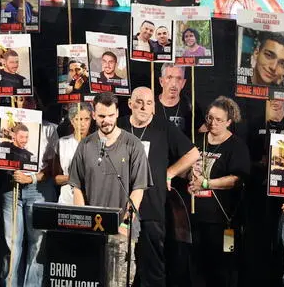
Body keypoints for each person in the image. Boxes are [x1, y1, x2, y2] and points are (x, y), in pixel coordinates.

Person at [116, 87, 200, 287]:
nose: (144, 107)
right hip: (119, 206)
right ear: (130, 104)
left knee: (151, 267)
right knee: (118, 265)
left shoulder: (163, 127)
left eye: (149, 103)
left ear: (154, 107)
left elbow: (193, 154)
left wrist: (169, 173)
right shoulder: (118, 126)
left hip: (151, 208)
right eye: (139, 102)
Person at [69, 92, 150, 286]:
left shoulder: (133, 144)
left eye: (111, 115)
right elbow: (77, 186)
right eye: (102, 116)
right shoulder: (85, 145)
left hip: (121, 228)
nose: (107, 121)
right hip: (93, 230)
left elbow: (138, 189)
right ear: (94, 115)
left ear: (117, 113)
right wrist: (83, 221)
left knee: (117, 282)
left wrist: (126, 223)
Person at [188, 96, 250, 287]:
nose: (212, 123)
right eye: (210, 118)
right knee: (196, 268)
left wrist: (206, 183)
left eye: (219, 120)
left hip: (222, 221)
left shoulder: (236, 145)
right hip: (194, 218)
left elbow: (237, 179)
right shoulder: (197, 141)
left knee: (224, 268)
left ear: (229, 122)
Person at [0, 97, 58, 286]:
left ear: (37, 102)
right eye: (20, 99)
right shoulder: (6, 127)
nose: (25, 104)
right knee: (12, 243)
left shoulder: (50, 128)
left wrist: (31, 178)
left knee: (38, 244)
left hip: (39, 189)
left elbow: (53, 168)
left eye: (30, 100)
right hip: (12, 188)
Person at [54, 102, 93, 205]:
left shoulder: (97, 143)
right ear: (72, 121)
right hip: (67, 200)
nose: (83, 124)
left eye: (86, 119)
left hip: (90, 200)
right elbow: (56, 178)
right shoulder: (63, 143)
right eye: (78, 119)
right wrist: (73, 178)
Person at [156, 63, 207, 137]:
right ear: (161, 81)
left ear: (183, 83)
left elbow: (205, 133)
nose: (174, 84)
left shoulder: (190, 106)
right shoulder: (150, 104)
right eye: (169, 77)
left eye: (178, 78)